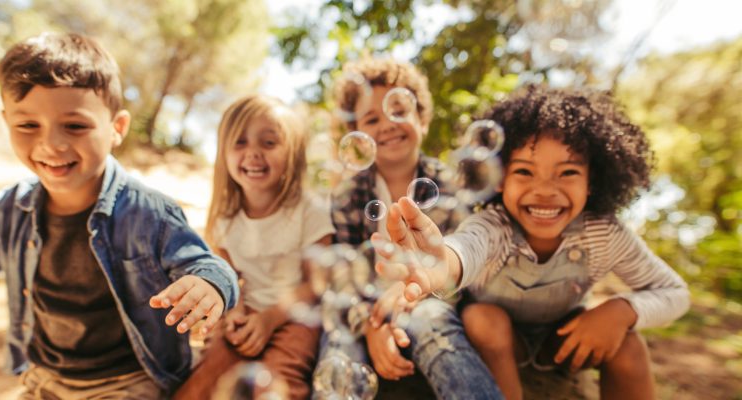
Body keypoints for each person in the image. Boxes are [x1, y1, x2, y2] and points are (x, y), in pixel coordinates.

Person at [0, 33, 239, 400]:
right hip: (46, 379)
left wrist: (210, 285)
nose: (52, 144)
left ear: (117, 128)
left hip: (129, 381)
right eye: (28, 125)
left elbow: (209, 266)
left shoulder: (149, 212)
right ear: (7, 122)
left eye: (75, 126)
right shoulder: (7, 211)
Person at [373, 85, 690, 400]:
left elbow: (675, 292)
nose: (545, 190)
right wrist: (441, 263)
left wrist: (622, 310)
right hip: (498, 342)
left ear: (592, 182)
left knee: (629, 342)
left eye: (567, 172)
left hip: (562, 340)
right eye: (524, 171)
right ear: (498, 178)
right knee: (483, 318)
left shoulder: (603, 234)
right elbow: (466, 248)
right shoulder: (495, 226)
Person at [320, 57, 501, 399]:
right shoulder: (347, 196)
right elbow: (341, 275)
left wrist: (406, 299)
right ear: (357, 137)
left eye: (399, 111)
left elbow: (456, 268)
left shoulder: (449, 186)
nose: (387, 124)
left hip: (428, 302)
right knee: (337, 349)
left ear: (422, 119)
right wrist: (370, 325)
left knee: (436, 329)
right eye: (371, 119)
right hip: (362, 307)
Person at [174, 95, 334, 400]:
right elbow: (226, 275)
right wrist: (234, 310)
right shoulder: (226, 219)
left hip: (295, 316)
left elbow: (317, 282)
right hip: (246, 314)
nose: (253, 154)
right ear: (224, 154)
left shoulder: (308, 209)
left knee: (280, 379)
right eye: (240, 143)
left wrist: (270, 318)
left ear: (293, 153)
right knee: (206, 379)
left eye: (269, 143)